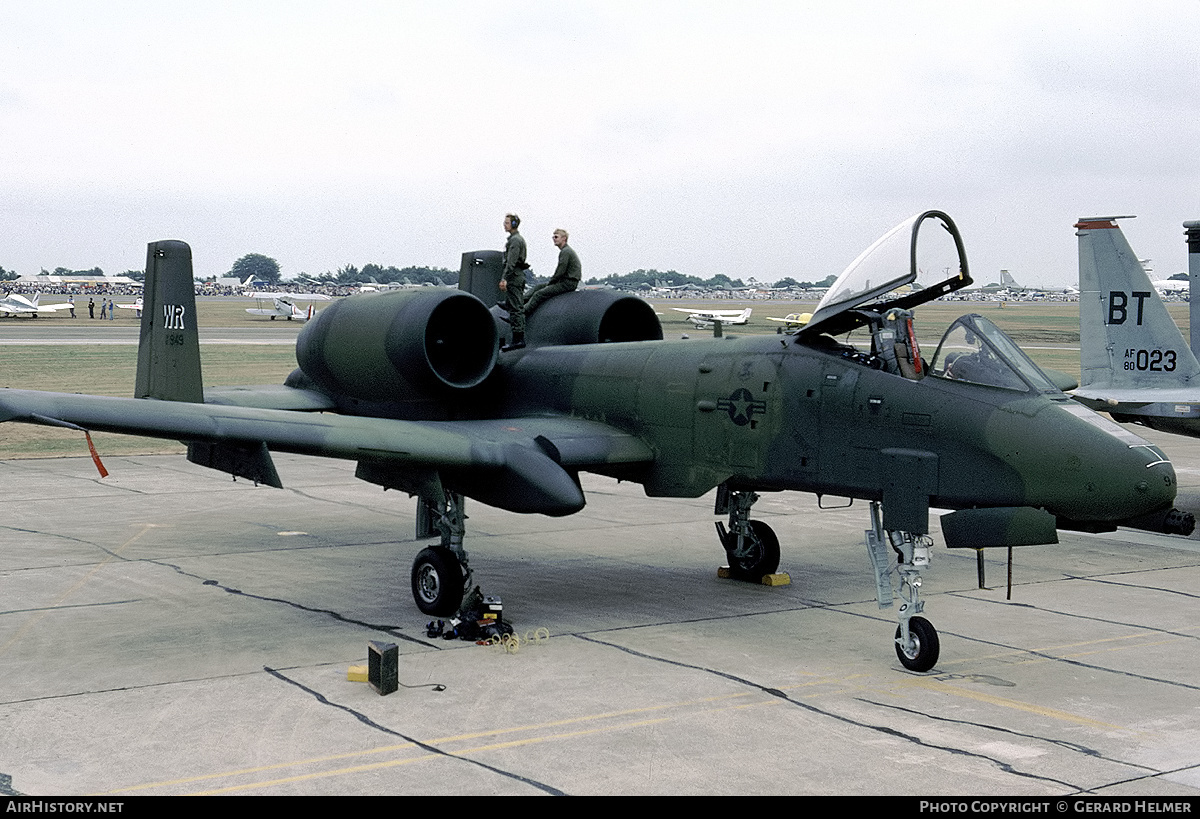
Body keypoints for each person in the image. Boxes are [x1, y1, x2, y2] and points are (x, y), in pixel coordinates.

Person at [525, 229, 581, 316]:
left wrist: (551, 282)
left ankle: (521, 314)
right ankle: (518, 303)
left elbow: (560, 271)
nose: (554, 239)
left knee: (539, 294)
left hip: (568, 283)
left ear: (564, 238)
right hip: (564, 282)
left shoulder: (565, 252)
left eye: (556, 237)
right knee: (538, 287)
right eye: (553, 237)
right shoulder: (566, 251)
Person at [498, 213, 528, 351]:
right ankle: (517, 338)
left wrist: (504, 278)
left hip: (514, 277)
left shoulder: (515, 241)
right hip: (515, 275)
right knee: (514, 306)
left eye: (507, 222)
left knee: (516, 309)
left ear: (514, 224)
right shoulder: (514, 239)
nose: (504, 225)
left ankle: (518, 339)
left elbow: (511, 261)